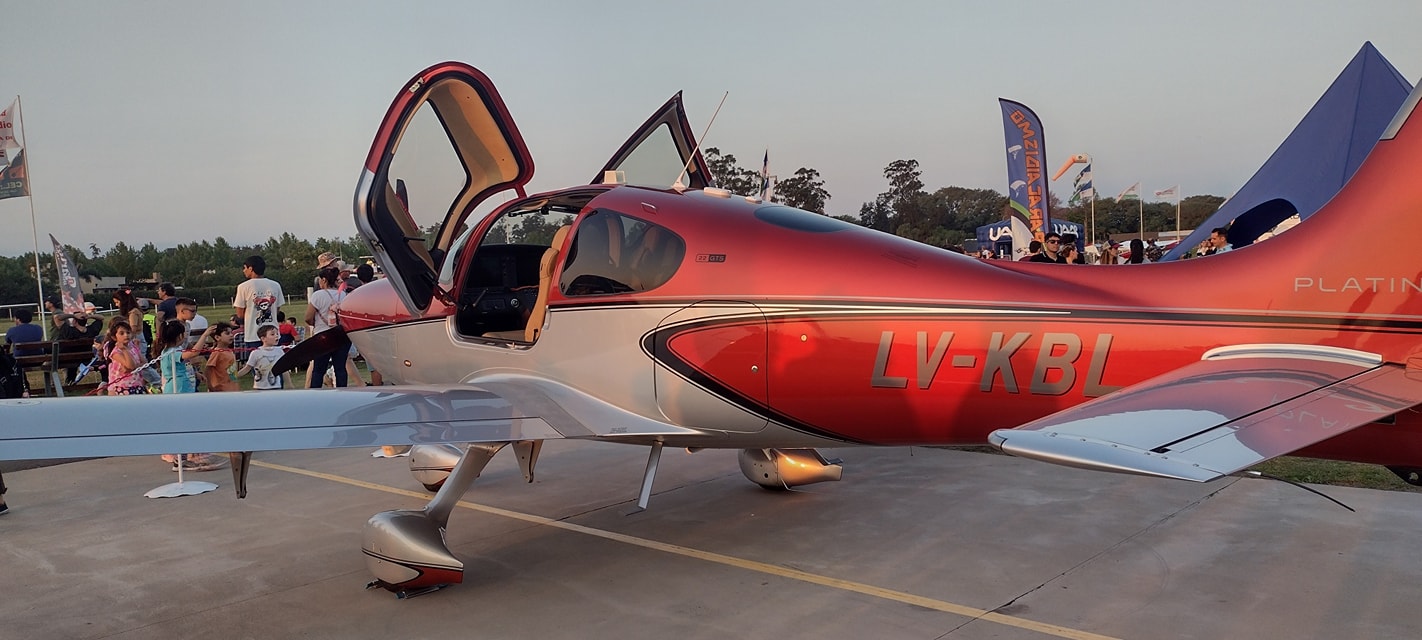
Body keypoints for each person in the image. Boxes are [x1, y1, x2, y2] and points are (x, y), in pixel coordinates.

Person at [156, 319, 225, 471]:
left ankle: (189, 456)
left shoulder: (174, 352)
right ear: (179, 336)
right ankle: (181, 459)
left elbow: (183, 365)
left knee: (189, 423)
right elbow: (194, 353)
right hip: (177, 391)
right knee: (183, 425)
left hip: (185, 390)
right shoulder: (172, 352)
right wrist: (205, 335)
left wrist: (196, 373)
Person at [305, 266, 350, 388]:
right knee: (340, 368)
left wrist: (315, 324)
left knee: (319, 369)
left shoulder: (318, 295)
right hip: (341, 335)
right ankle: (342, 392)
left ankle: (316, 394)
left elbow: (308, 317)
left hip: (323, 335)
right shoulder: (343, 295)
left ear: (324, 280)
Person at [234, 255, 285, 355]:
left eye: (245, 268)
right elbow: (277, 310)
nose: (243, 271)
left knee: (257, 365)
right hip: (273, 333)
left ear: (251, 268)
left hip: (253, 334)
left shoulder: (243, 287)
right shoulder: (275, 285)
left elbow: (240, 314)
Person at [235, 324, 290, 390]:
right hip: (260, 388)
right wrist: (234, 376)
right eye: (272, 334)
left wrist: (289, 384)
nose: (276, 336)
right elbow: (247, 368)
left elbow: (284, 370)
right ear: (263, 338)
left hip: (276, 387)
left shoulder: (280, 351)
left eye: (277, 334)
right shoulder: (256, 353)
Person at [104, 319, 147, 395]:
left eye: (128, 332)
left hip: (137, 384)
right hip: (123, 387)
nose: (126, 335)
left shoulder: (133, 347)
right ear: (114, 337)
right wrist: (124, 350)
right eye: (122, 333)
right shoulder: (116, 353)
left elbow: (144, 362)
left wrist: (134, 367)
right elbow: (130, 366)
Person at [203, 322, 240, 392]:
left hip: (232, 389)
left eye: (231, 333)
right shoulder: (217, 353)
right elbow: (208, 369)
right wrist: (210, 387)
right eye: (227, 333)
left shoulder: (229, 351)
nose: (231, 335)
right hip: (221, 390)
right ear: (217, 337)